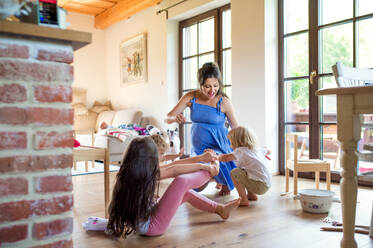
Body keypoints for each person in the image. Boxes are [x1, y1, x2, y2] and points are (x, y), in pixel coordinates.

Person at [82, 136, 240, 237]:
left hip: (147, 218)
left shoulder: (132, 173)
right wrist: (207, 167)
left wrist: (200, 158)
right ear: (147, 159)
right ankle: (214, 171)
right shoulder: (144, 176)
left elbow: (175, 164)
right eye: (158, 156)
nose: (161, 159)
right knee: (181, 182)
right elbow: (173, 170)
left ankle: (220, 210)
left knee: (186, 192)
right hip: (152, 227)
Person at [165, 62, 239, 195]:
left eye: (216, 86)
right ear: (200, 84)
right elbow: (168, 117)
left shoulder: (224, 102)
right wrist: (174, 119)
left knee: (223, 184)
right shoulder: (191, 97)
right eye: (207, 86)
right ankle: (214, 178)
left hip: (218, 148)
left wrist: (240, 150)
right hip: (198, 150)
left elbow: (236, 129)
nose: (212, 90)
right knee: (195, 187)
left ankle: (221, 180)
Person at [213, 126, 271, 206]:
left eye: (231, 142)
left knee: (235, 172)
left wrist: (214, 156)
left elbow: (225, 158)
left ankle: (243, 199)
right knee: (247, 172)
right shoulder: (257, 149)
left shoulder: (240, 151)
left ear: (237, 142)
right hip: (266, 184)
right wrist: (263, 154)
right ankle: (251, 195)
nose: (230, 145)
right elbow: (268, 150)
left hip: (259, 186)